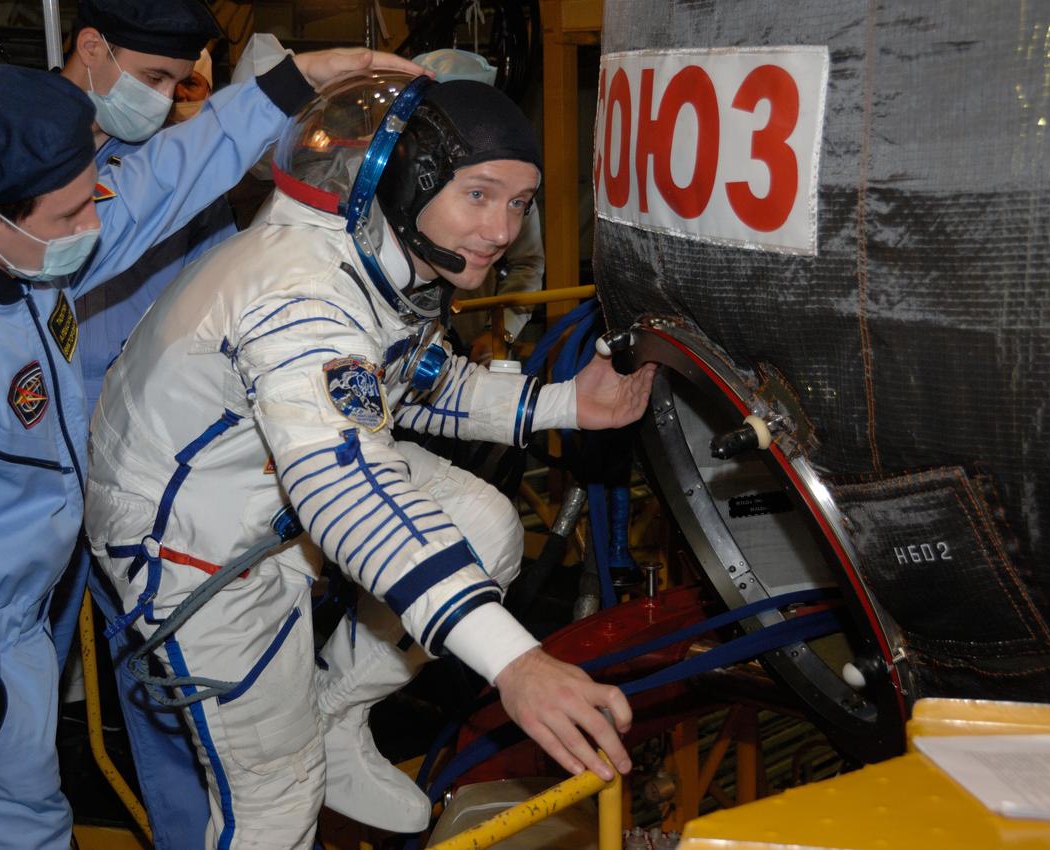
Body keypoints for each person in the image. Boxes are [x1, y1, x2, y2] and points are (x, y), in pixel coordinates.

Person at [0, 39, 408, 847]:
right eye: (75, 212)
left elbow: (158, 185)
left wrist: (292, 83)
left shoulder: (14, 265)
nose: (97, 224)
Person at [84, 72, 657, 848]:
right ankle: (303, 755)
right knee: (276, 801)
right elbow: (342, 487)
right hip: (192, 538)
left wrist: (564, 406)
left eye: (518, 204)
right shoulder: (301, 296)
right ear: (405, 180)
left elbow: (408, 380)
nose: (501, 230)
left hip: (264, 492)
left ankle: (332, 718)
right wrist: (516, 663)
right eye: (480, 195)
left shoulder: (373, 253)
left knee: (485, 525)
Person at [410, 48, 546, 365]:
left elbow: (527, 264)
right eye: (476, 195)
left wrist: (501, 331)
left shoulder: (512, 189)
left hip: (466, 344)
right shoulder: (381, 181)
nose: (499, 233)